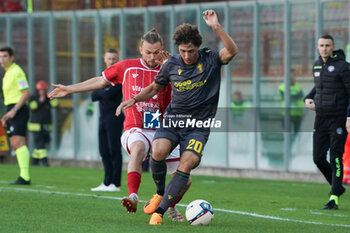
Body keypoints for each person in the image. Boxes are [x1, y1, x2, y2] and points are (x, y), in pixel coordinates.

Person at [48, 29, 191, 221]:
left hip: (163, 130)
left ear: (163, 50)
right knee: (138, 148)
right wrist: (69, 89)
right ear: (140, 50)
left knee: (186, 180)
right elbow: (100, 81)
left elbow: (188, 89)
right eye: (148, 52)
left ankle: (168, 206)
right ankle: (133, 195)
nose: (152, 56)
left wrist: (173, 69)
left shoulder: (171, 67)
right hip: (136, 127)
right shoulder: (127, 67)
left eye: (156, 52)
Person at [116, 9, 238, 225]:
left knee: (187, 164)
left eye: (191, 51)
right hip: (173, 121)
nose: (187, 56)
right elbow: (155, 87)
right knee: (158, 150)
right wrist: (133, 99)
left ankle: (160, 211)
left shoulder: (211, 59)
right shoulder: (172, 63)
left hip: (198, 127)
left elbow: (232, 50)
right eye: (182, 51)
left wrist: (216, 27)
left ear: (198, 48)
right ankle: (160, 193)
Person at [305, 34, 350, 210]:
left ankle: (334, 198)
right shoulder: (317, 65)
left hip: (338, 118)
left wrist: (348, 117)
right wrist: (308, 98)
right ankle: (337, 185)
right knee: (317, 158)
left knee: (336, 156)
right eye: (321, 45)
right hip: (321, 118)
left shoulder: (343, 67)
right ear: (318, 47)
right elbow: (320, 86)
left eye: (327, 45)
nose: (324, 48)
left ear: (333, 47)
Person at [90, 48, 124, 192]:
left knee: (114, 149)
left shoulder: (120, 78)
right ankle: (106, 181)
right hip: (102, 117)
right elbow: (93, 95)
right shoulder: (102, 77)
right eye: (109, 59)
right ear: (104, 59)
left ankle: (115, 183)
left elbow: (109, 95)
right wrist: (104, 92)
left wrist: (102, 92)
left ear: (118, 60)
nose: (111, 61)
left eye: (114, 59)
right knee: (103, 150)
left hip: (114, 117)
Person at [0, 46, 31, 185]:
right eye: (0, 56)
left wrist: (15, 110)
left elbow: (25, 93)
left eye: (5, 56)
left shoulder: (17, 72)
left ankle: (25, 177)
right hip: (11, 108)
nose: (2, 59)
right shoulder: (7, 73)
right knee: (14, 143)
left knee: (18, 142)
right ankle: (24, 176)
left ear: (12, 58)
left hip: (18, 108)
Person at [28, 80, 59, 166]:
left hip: (46, 126)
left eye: (43, 90)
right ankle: (45, 162)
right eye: (40, 90)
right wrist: (40, 101)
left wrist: (51, 96)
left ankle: (35, 161)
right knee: (40, 143)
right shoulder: (33, 97)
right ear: (37, 90)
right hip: (35, 126)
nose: (42, 91)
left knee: (42, 143)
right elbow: (32, 106)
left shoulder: (48, 98)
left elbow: (56, 105)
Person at [278, 69, 304, 133]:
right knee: (287, 134)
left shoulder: (298, 86)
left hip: (297, 114)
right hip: (286, 114)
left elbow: (300, 96)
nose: (293, 77)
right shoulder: (282, 87)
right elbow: (288, 98)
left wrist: (293, 97)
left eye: (294, 75)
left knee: (297, 134)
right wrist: (295, 97)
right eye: (292, 75)